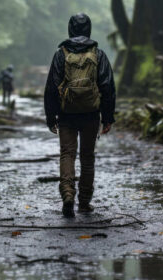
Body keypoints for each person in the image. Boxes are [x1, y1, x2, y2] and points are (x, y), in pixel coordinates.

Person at [44, 13, 116, 218]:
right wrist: (108, 117)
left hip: (66, 114)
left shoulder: (61, 54)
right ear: (89, 29)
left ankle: (67, 194)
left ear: (70, 29)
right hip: (91, 114)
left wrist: (51, 117)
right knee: (87, 157)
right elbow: (108, 86)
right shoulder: (98, 54)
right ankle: (84, 202)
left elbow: (51, 87)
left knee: (67, 154)